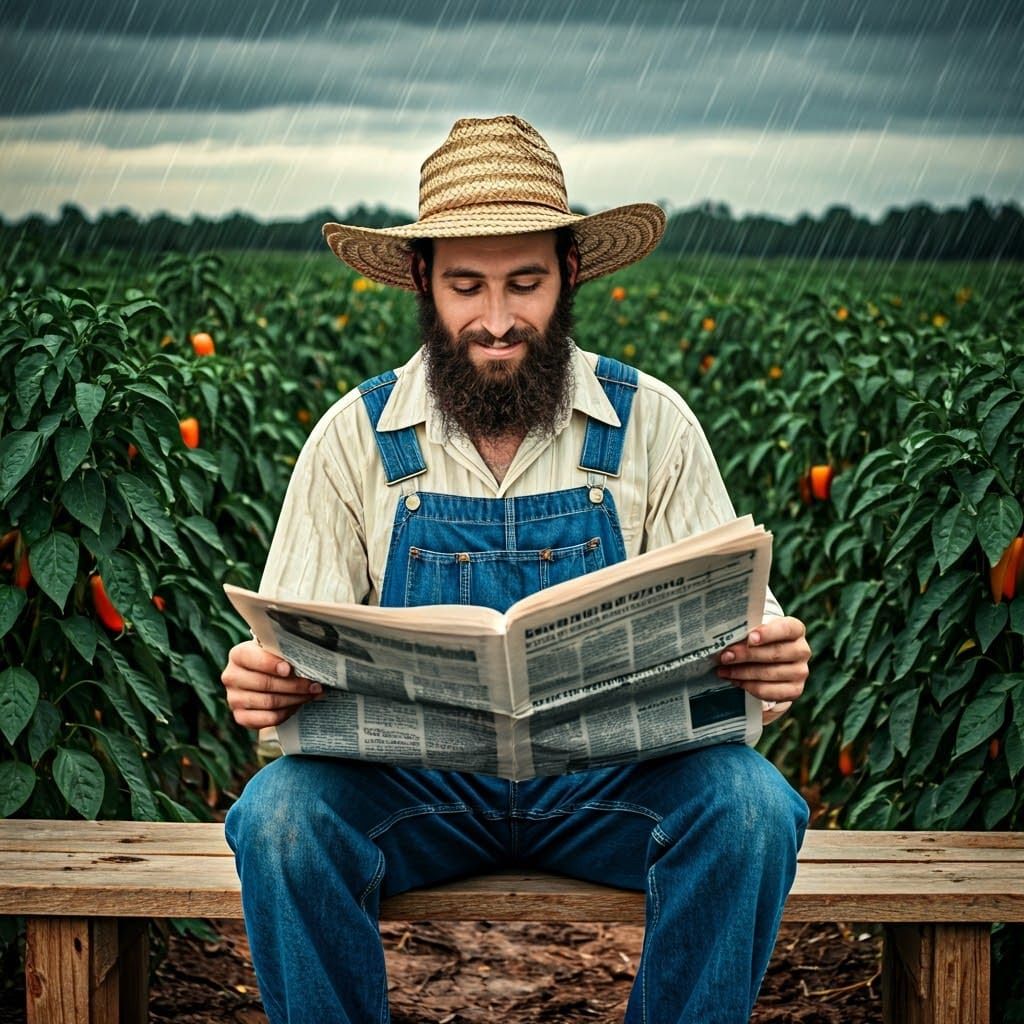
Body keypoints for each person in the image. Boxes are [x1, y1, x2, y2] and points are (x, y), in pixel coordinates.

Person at [221, 114, 811, 1024]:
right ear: (422, 281)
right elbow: (289, 648)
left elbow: (752, 630)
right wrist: (263, 683)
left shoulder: (651, 423)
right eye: (467, 286)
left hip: (611, 789)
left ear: (569, 274)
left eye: (525, 283)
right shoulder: (355, 439)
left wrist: (773, 661)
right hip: (420, 797)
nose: (497, 321)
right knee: (281, 819)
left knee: (750, 810)